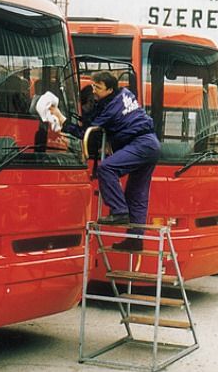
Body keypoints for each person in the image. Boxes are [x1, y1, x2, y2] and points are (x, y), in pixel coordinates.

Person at [49, 71, 160, 250]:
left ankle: (119, 211)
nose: (94, 91)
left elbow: (86, 133)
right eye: (93, 86)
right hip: (151, 144)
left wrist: (62, 120)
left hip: (140, 144)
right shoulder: (126, 93)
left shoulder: (110, 110)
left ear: (109, 89)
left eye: (98, 88)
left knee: (107, 168)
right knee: (136, 194)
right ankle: (135, 240)